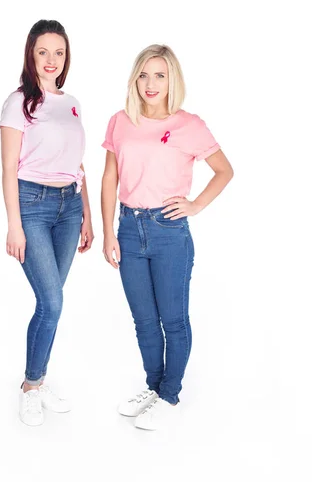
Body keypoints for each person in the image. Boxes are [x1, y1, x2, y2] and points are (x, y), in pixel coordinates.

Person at [101, 44, 233, 431]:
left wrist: (195, 205)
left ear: (172, 79)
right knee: (144, 321)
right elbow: (111, 177)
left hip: (168, 231)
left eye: (159, 75)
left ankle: (170, 395)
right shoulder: (120, 120)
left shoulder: (189, 124)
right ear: (135, 79)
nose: (150, 83)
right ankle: (154, 388)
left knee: (172, 321)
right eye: (144, 74)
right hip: (128, 228)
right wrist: (108, 229)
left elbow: (224, 170)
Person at [0, 19, 94, 426]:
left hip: (69, 209)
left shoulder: (72, 102)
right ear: (31, 55)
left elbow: (78, 164)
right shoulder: (18, 101)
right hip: (32, 207)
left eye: (59, 52)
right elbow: (7, 169)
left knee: (49, 304)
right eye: (43, 52)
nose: (51, 59)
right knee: (52, 302)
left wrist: (87, 214)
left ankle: (36, 379)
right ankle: (31, 385)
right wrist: (14, 225)